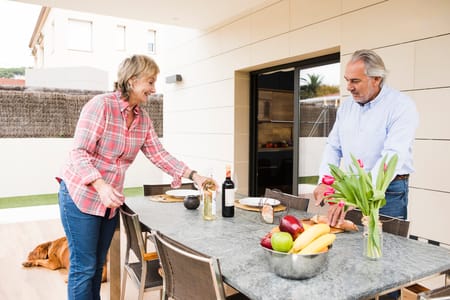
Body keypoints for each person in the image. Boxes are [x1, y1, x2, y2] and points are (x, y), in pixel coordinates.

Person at [57, 54, 210, 300]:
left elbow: (158, 154)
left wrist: (193, 174)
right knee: (83, 268)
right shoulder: (101, 106)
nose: (153, 88)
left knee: (97, 267)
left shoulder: (142, 119)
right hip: (81, 196)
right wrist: (100, 184)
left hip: (110, 201)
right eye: (150, 82)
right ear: (131, 80)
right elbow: (78, 151)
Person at [313, 49, 419, 227]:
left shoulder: (401, 106)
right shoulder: (346, 107)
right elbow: (333, 146)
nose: (349, 87)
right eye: (347, 80)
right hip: (352, 187)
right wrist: (325, 181)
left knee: (387, 248)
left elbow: (392, 156)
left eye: (355, 81)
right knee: (353, 245)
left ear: (376, 79)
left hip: (389, 191)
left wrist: (356, 195)